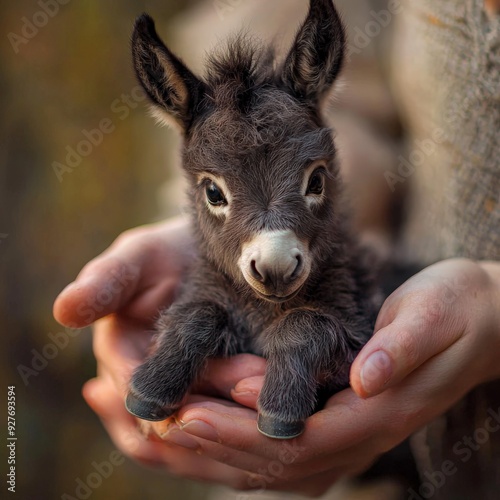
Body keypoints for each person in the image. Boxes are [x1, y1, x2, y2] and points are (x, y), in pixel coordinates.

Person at [54, 0, 500, 498]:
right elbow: (329, 86)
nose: (270, 252)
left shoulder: (348, 279)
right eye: (215, 194)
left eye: (314, 179)